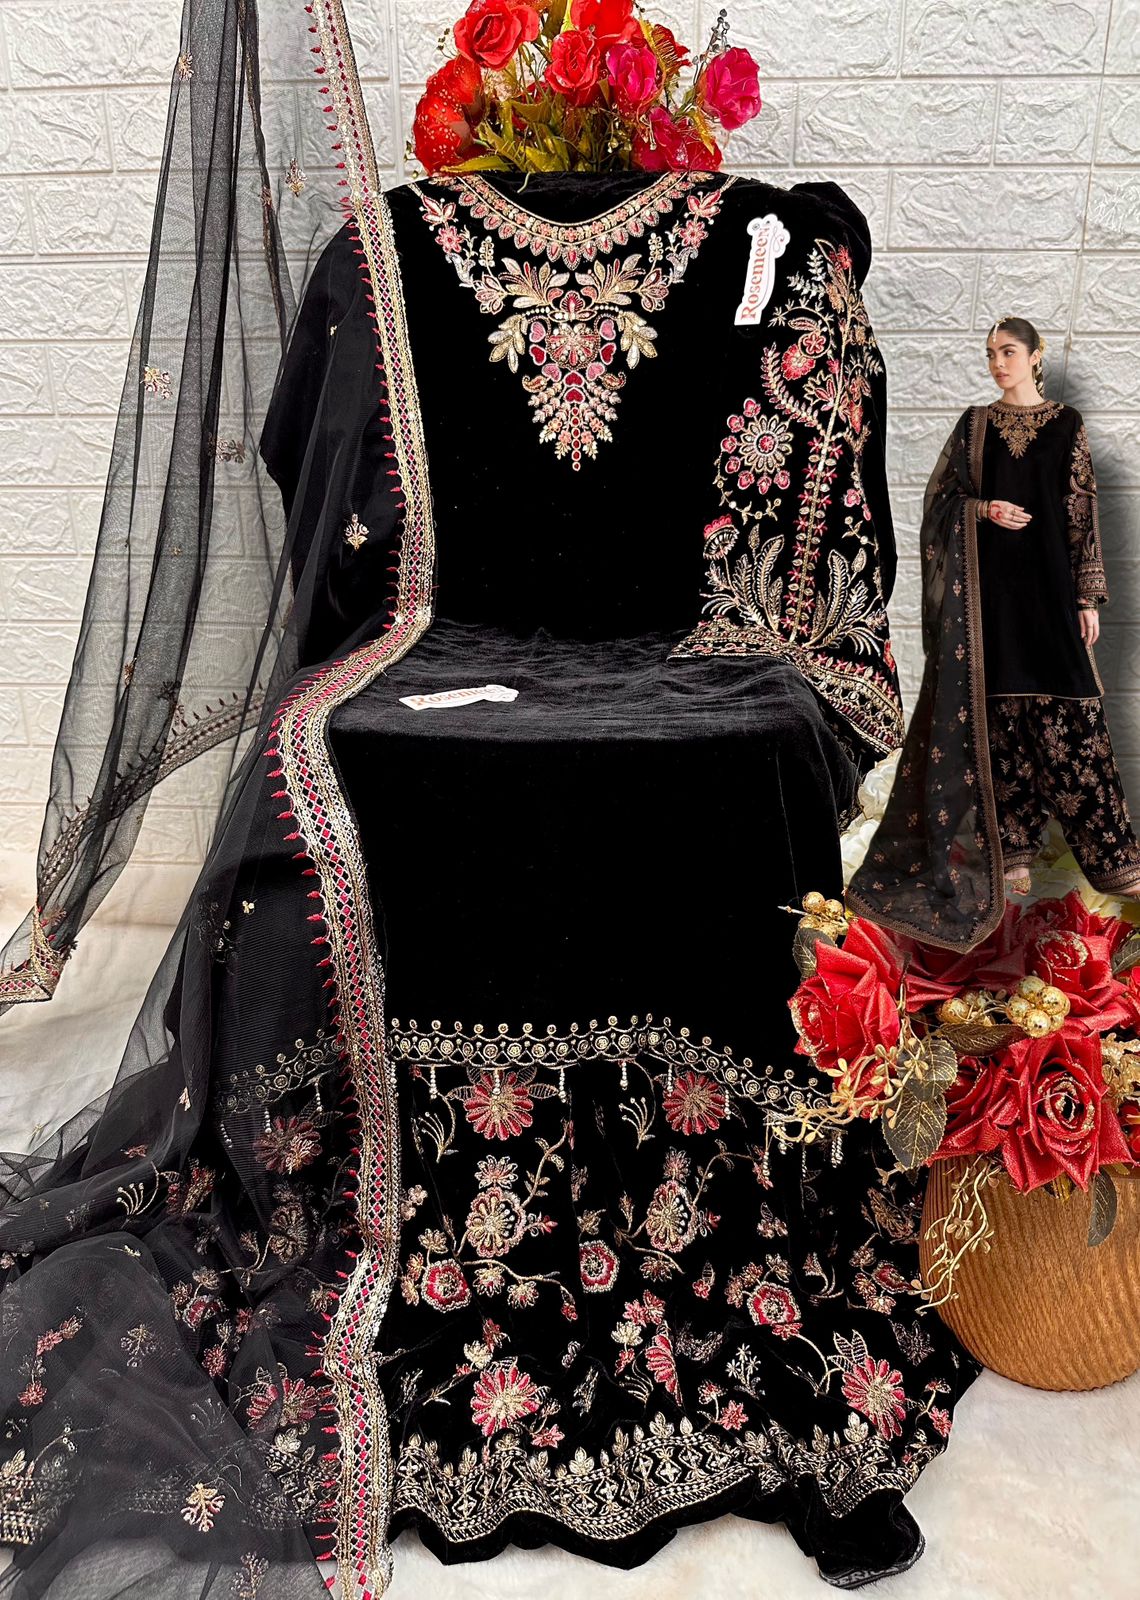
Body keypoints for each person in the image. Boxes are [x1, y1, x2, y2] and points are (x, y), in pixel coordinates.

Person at [0, 3, 981, 1596]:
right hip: (433, 638)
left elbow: (801, 571)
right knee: (341, 741)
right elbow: (329, 508)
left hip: (711, 660)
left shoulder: (768, 252)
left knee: (744, 746)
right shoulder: (388, 258)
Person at [847, 315, 1140, 949]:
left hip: (1050, 591)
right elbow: (941, 503)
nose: (997, 363)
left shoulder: (1066, 424)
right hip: (989, 601)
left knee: (1074, 715)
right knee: (1001, 717)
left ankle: (1115, 856)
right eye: (989, 354)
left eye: (1008, 352)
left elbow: (1080, 508)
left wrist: (1088, 595)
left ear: (1036, 356)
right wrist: (983, 509)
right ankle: (1013, 849)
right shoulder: (974, 425)